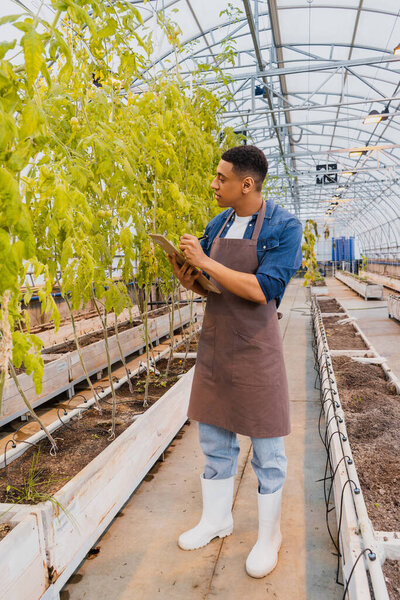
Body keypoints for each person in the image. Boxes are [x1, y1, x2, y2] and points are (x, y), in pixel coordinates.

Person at [167, 145, 303, 578]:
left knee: (267, 447)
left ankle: (270, 536)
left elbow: (264, 289)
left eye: (221, 178)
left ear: (247, 184)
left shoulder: (284, 226)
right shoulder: (218, 223)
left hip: (257, 350)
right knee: (214, 441)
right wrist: (191, 277)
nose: (214, 183)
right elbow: (215, 289)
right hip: (217, 345)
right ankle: (217, 519)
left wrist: (206, 259)